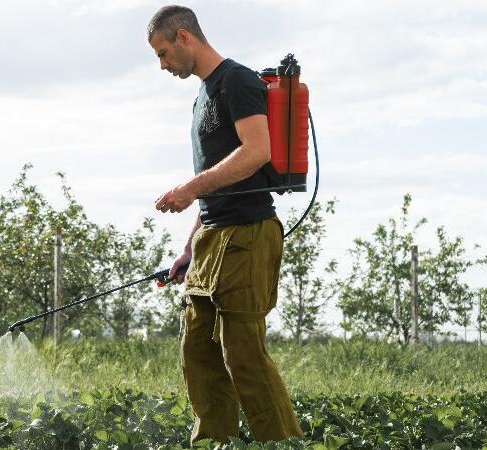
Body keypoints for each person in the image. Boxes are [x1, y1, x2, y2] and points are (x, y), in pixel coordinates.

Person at [147, 5, 304, 444]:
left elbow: (256, 152)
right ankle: (213, 441)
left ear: (183, 38)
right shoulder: (202, 96)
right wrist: (188, 248)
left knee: (243, 355)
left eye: (162, 53)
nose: (162, 65)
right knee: (198, 352)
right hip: (213, 238)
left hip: (248, 235)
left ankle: (283, 443)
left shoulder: (236, 80)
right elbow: (219, 183)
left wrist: (189, 187)